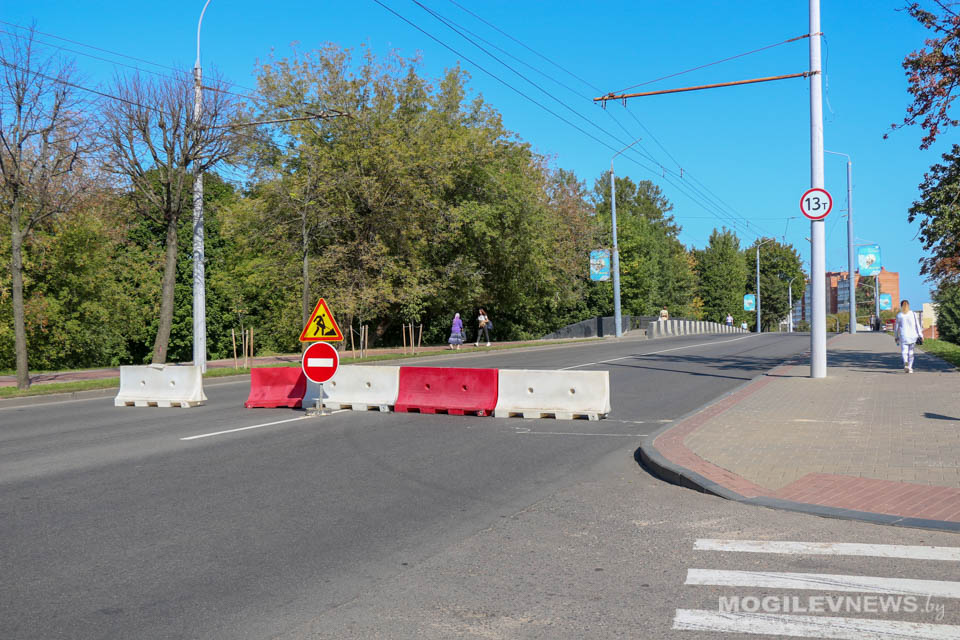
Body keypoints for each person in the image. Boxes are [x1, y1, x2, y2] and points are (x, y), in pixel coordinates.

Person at [894, 299, 922, 373]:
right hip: (913, 336)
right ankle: (910, 367)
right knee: (911, 352)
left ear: (901, 306)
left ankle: (906, 364)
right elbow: (917, 325)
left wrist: (896, 336)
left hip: (904, 336)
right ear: (908, 305)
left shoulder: (899, 315)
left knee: (904, 351)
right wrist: (920, 335)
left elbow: (896, 328)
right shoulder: (913, 314)